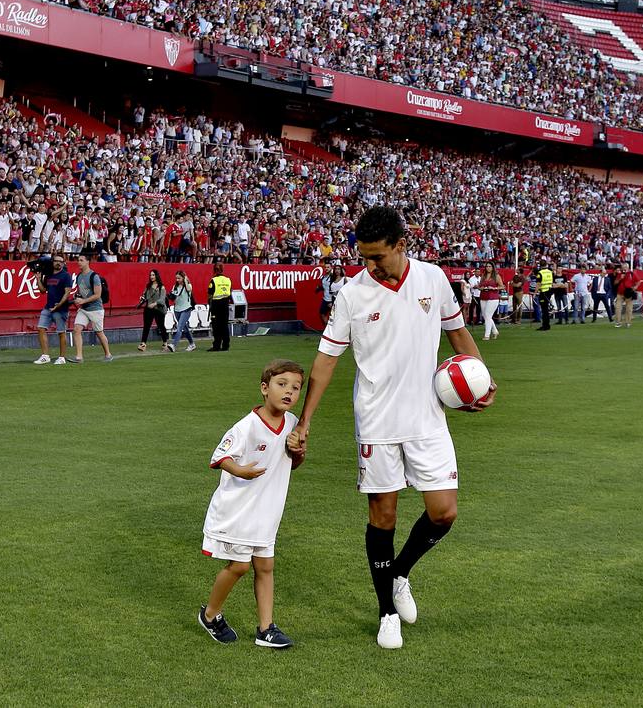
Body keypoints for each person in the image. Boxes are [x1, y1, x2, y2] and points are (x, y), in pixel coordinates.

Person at [289, 207, 494, 650]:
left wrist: (480, 378)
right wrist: (305, 421)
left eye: (377, 256)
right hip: (377, 423)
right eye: (363, 256)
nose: (370, 265)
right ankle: (385, 612)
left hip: (428, 418)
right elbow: (326, 362)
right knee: (383, 517)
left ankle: (400, 572)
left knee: (444, 512)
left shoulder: (433, 279)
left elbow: (457, 333)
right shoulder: (351, 295)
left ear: (402, 245)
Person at [197, 359, 305, 649]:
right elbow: (220, 456)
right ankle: (210, 615)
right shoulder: (247, 426)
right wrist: (241, 471)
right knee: (240, 567)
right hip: (239, 512)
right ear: (264, 388)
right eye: (282, 385)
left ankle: (266, 629)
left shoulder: (293, 424)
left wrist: (298, 452)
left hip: (266, 513)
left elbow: (292, 463)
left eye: (295, 388)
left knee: (266, 566)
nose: (289, 392)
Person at [67, 251, 112, 363]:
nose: (79, 262)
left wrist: (83, 300)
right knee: (77, 329)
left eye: (81, 260)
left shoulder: (94, 276)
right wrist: (76, 296)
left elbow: (98, 295)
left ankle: (108, 354)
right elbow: (81, 290)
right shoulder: (79, 276)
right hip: (84, 309)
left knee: (99, 332)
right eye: (78, 260)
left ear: (88, 262)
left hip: (96, 309)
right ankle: (79, 357)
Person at [34, 256, 74, 365]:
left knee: (61, 332)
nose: (58, 263)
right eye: (56, 261)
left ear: (63, 264)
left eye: (61, 262)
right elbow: (43, 290)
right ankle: (45, 355)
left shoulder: (66, 276)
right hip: (48, 307)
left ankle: (62, 357)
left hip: (60, 309)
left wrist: (59, 305)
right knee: (41, 328)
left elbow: (67, 292)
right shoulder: (48, 275)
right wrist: (38, 279)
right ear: (53, 262)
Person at [166, 269, 196, 352]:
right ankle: (192, 344)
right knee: (185, 328)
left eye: (179, 278)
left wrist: (186, 280)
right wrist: (169, 296)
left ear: (183, 278)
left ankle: (173, 345)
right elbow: (172, 297)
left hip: (186, 309)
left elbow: (189, 289)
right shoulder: (175, 286)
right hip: (177, 309)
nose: (177, 280)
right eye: (176, 278)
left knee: (179, 328)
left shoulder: (188, 285)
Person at [137, 269, 166, 352]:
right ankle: (143, 344)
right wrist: (142, 298)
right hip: (148, 309)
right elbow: (145, 295)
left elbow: (162, 299)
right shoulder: (148, 286)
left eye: (153, 275)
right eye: (150, 275)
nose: (151, 277)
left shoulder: (161, 287)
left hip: (158, 309)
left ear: (157, 276)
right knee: (146, 326)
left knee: (161, 326)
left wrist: (155, 303)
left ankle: (165, 342)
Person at [208, 261, 233, 351]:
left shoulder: (213, 280)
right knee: (224, 326)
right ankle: (226, 345)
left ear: (214, 270)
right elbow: (230, 292)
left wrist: (209, 304)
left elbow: (210, 294)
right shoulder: (228, 280)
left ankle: (217, 345)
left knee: (216, 326)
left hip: (216, 305)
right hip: (225, 305)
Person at [477, 263, 503, 340]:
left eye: (489, 266)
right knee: (485, 316)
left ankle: (487, 335)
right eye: (487, 266)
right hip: (483, 296)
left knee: (488, 315)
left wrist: (494, 288)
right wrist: (480, 288)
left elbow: (502, 286)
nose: (488, 268)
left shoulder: (496, 276)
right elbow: (480, 286)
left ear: (492, 267)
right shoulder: (483, 276)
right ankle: (495, 331)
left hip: (493, 297)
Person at [615, 262, 637, 328]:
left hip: (628, 293)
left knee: (629, 308)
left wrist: (635, 287)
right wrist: (620, 278)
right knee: (618, 308)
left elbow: (638, 281)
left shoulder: (631, 274)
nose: (623, 269)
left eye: (624, 267)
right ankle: (618, 322)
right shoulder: (620, 274)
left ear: (627, 267)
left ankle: (628, 322)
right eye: (622, 267)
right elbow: (615, 282)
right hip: (620, 293)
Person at [535, 258, 554, 331]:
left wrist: (535, 293)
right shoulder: (550, 271)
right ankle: (547, 325)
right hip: (549, 290)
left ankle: (545, 325)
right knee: (546, 309)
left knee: (544, 310)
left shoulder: (540, 273)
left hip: (543, 292)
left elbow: (538, 284)